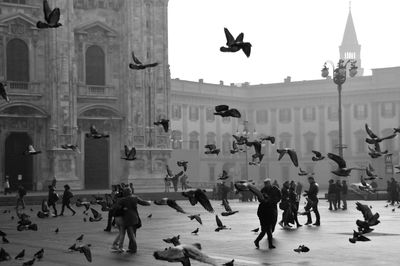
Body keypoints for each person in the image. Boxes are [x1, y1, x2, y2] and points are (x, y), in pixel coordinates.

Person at [117, 187, 150, 253]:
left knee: (131, 235)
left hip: (127, 219)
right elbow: (144, 203)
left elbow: (117, 207)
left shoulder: (122, 200)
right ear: (130, 192)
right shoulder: (135, 198)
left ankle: (133, 249)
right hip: (135, 218)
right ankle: (132, 248)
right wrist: (149, 202)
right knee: (133, 234)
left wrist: (123, 208)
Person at [254, 178, 281, 249]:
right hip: (264, 212)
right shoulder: (263, 190)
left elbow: (279, 197)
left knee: (267, 229)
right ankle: (269, 244)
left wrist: (272, 201)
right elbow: (259, 199)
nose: (266, 185)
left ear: (270, 183)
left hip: (271, 210)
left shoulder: (275, 189)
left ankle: (257, 241)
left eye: (268, 183)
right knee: (267, 229)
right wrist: (265, 200)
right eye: (265, 184)